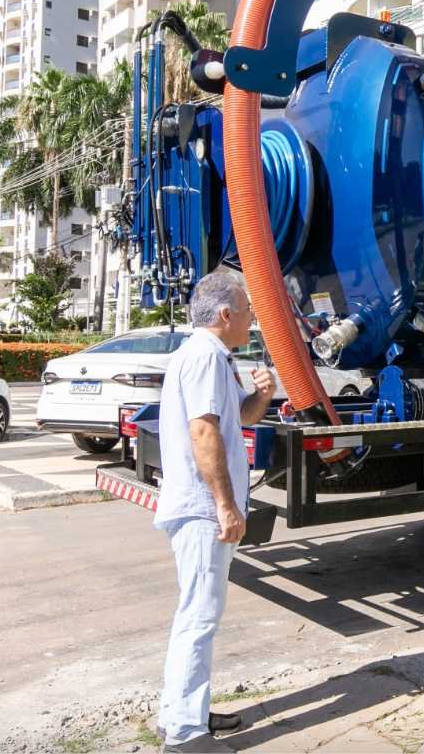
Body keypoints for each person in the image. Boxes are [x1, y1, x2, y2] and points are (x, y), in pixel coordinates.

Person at [153, 269, 275, 753]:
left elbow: (232, 419)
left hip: (202, 507)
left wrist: (262, 396)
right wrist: (225, 506)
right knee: (200, 617)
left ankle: (183, 712)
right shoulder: (205, 356)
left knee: (196, 614)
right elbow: (204, 434)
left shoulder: (210, 357)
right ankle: (184, 736)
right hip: (204, 510)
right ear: (226, 314)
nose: (251, 320)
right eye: (247, 311)